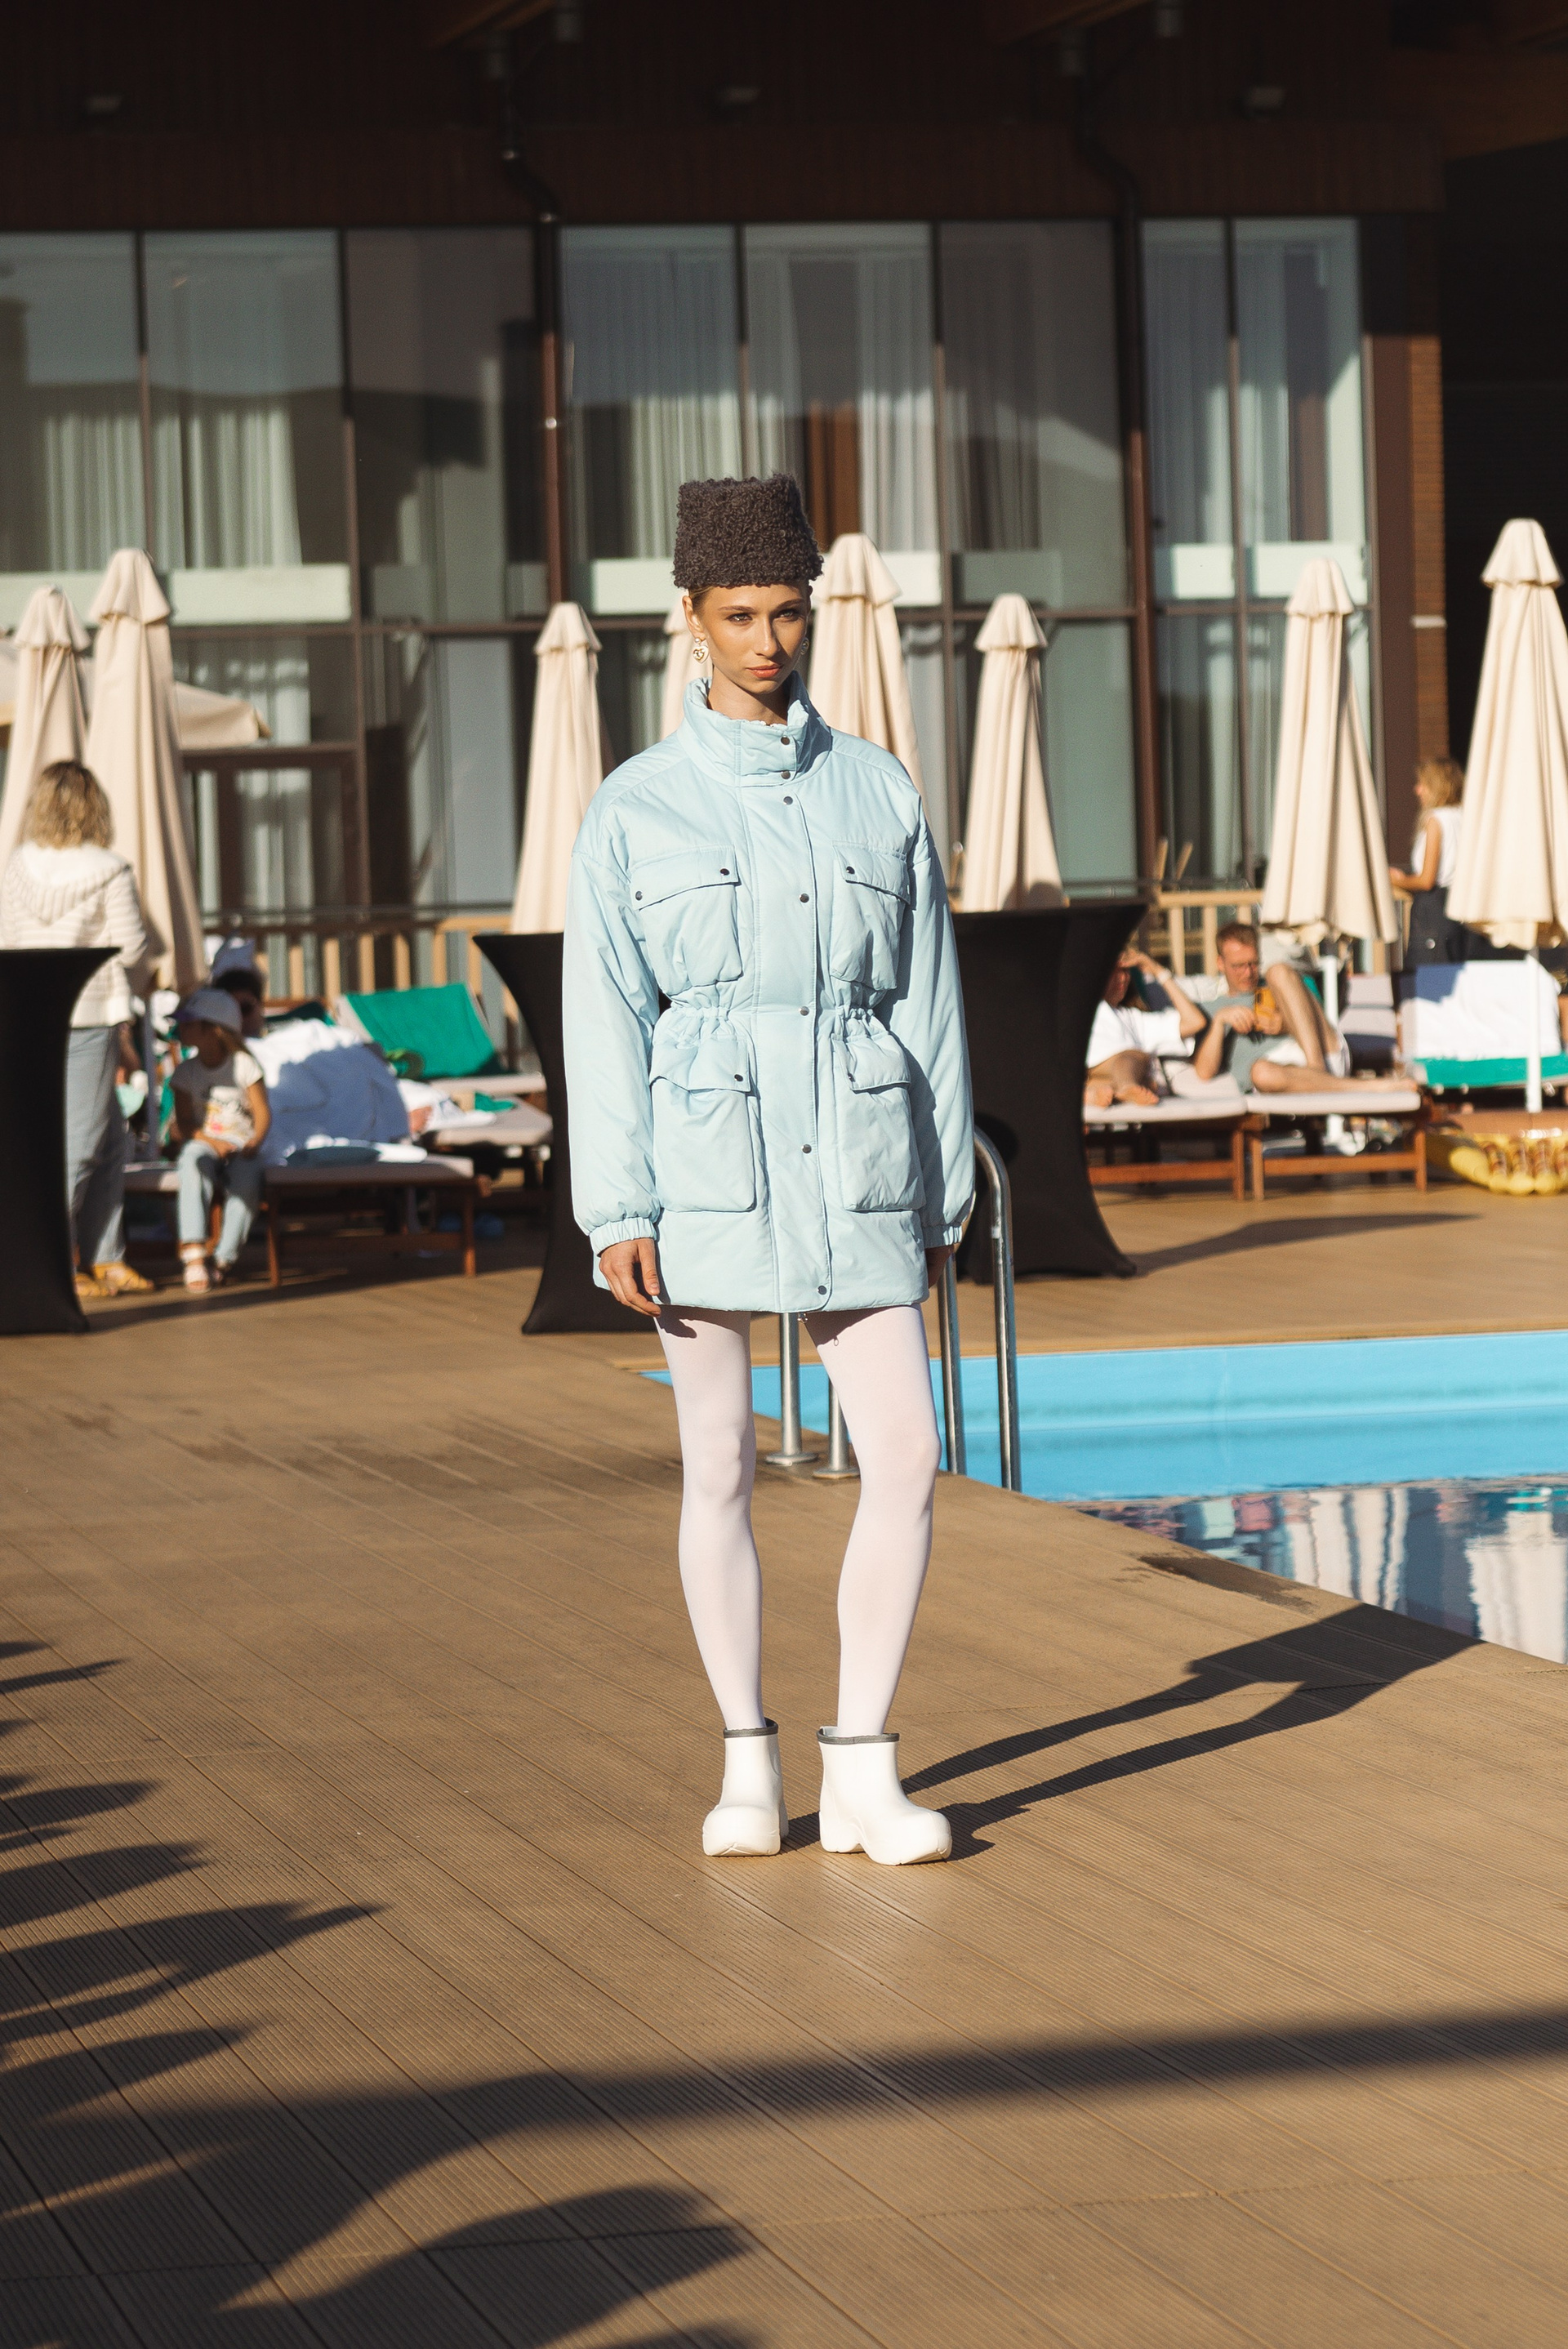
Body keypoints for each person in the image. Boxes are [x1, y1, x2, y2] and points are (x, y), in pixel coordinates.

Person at [564, 473, 973, 1868]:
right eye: (739, 614)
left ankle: (861, 1765)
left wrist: (942, 1192)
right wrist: (616, 1205)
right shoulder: (635, 807)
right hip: (702, 1168)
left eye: (787, 612)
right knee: (720, 1462)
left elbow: (930, 1004)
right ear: (690, 616)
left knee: (906, 1453)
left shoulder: (878, 788)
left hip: (861, 1158)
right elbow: (604, 1020)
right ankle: (748, 1760)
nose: (766, 641)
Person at [0, 759, 154, 1298]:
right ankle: (49, 1264)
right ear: (94, 808)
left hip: (29, 1017)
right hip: (89, 1016)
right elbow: (131, 949)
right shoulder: (110, 868)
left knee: (109, 1137)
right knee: (82, 1144)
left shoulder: (15, 866)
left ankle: (106, 1256)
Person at [1192, 922, 1384, 1095]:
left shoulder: (1277, 986)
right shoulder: (1211, 1009)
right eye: (1238, 966)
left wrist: (1285, 1025)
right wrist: (1219, 1022)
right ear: (1220, 963)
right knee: (1260, 1072)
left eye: (1254, 963)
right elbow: (1204, 1072)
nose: (1248, 972)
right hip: (1280, 1077)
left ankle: (1317, 1069)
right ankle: (1366, 1087)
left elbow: (1315, 1016)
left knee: (1278, 971)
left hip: (1324, 1055)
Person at [170, 989, 271, 1290]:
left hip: (242, 1145)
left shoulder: (244, 1065)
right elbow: (185, 1124)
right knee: (192, 1161)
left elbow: (262, 1112)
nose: (180, 1028)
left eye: (188, 1023)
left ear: (214, 1029)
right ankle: (194, 1251)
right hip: (204, 1140)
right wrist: (211, 1143)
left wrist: (255, 1142)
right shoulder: (185, 1073)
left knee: (247, 1183)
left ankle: (223, 1259)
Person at [1085, 947, 1209, 1108]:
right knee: (1135, 1059)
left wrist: (1156, 970)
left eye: (1126, 971)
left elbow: (1195, 1022)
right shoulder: (1078, 1009)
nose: (1123, 978)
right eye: (1114, 971)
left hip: (1107, 1079)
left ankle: (1093, 1092)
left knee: (1143, 1073)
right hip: (1087, 1070)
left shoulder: (1133, 1019)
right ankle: (1127, 1087)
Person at [1389, 756, 1465, 966]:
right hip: (1458, 911)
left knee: (1426, 979)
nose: (1418, 790)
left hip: (1433, 914)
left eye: (1423, 784)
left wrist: (1396, 880)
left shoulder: (1436, 820)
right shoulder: (1463, 817)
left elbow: (1426, 880)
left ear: (1436, 786)